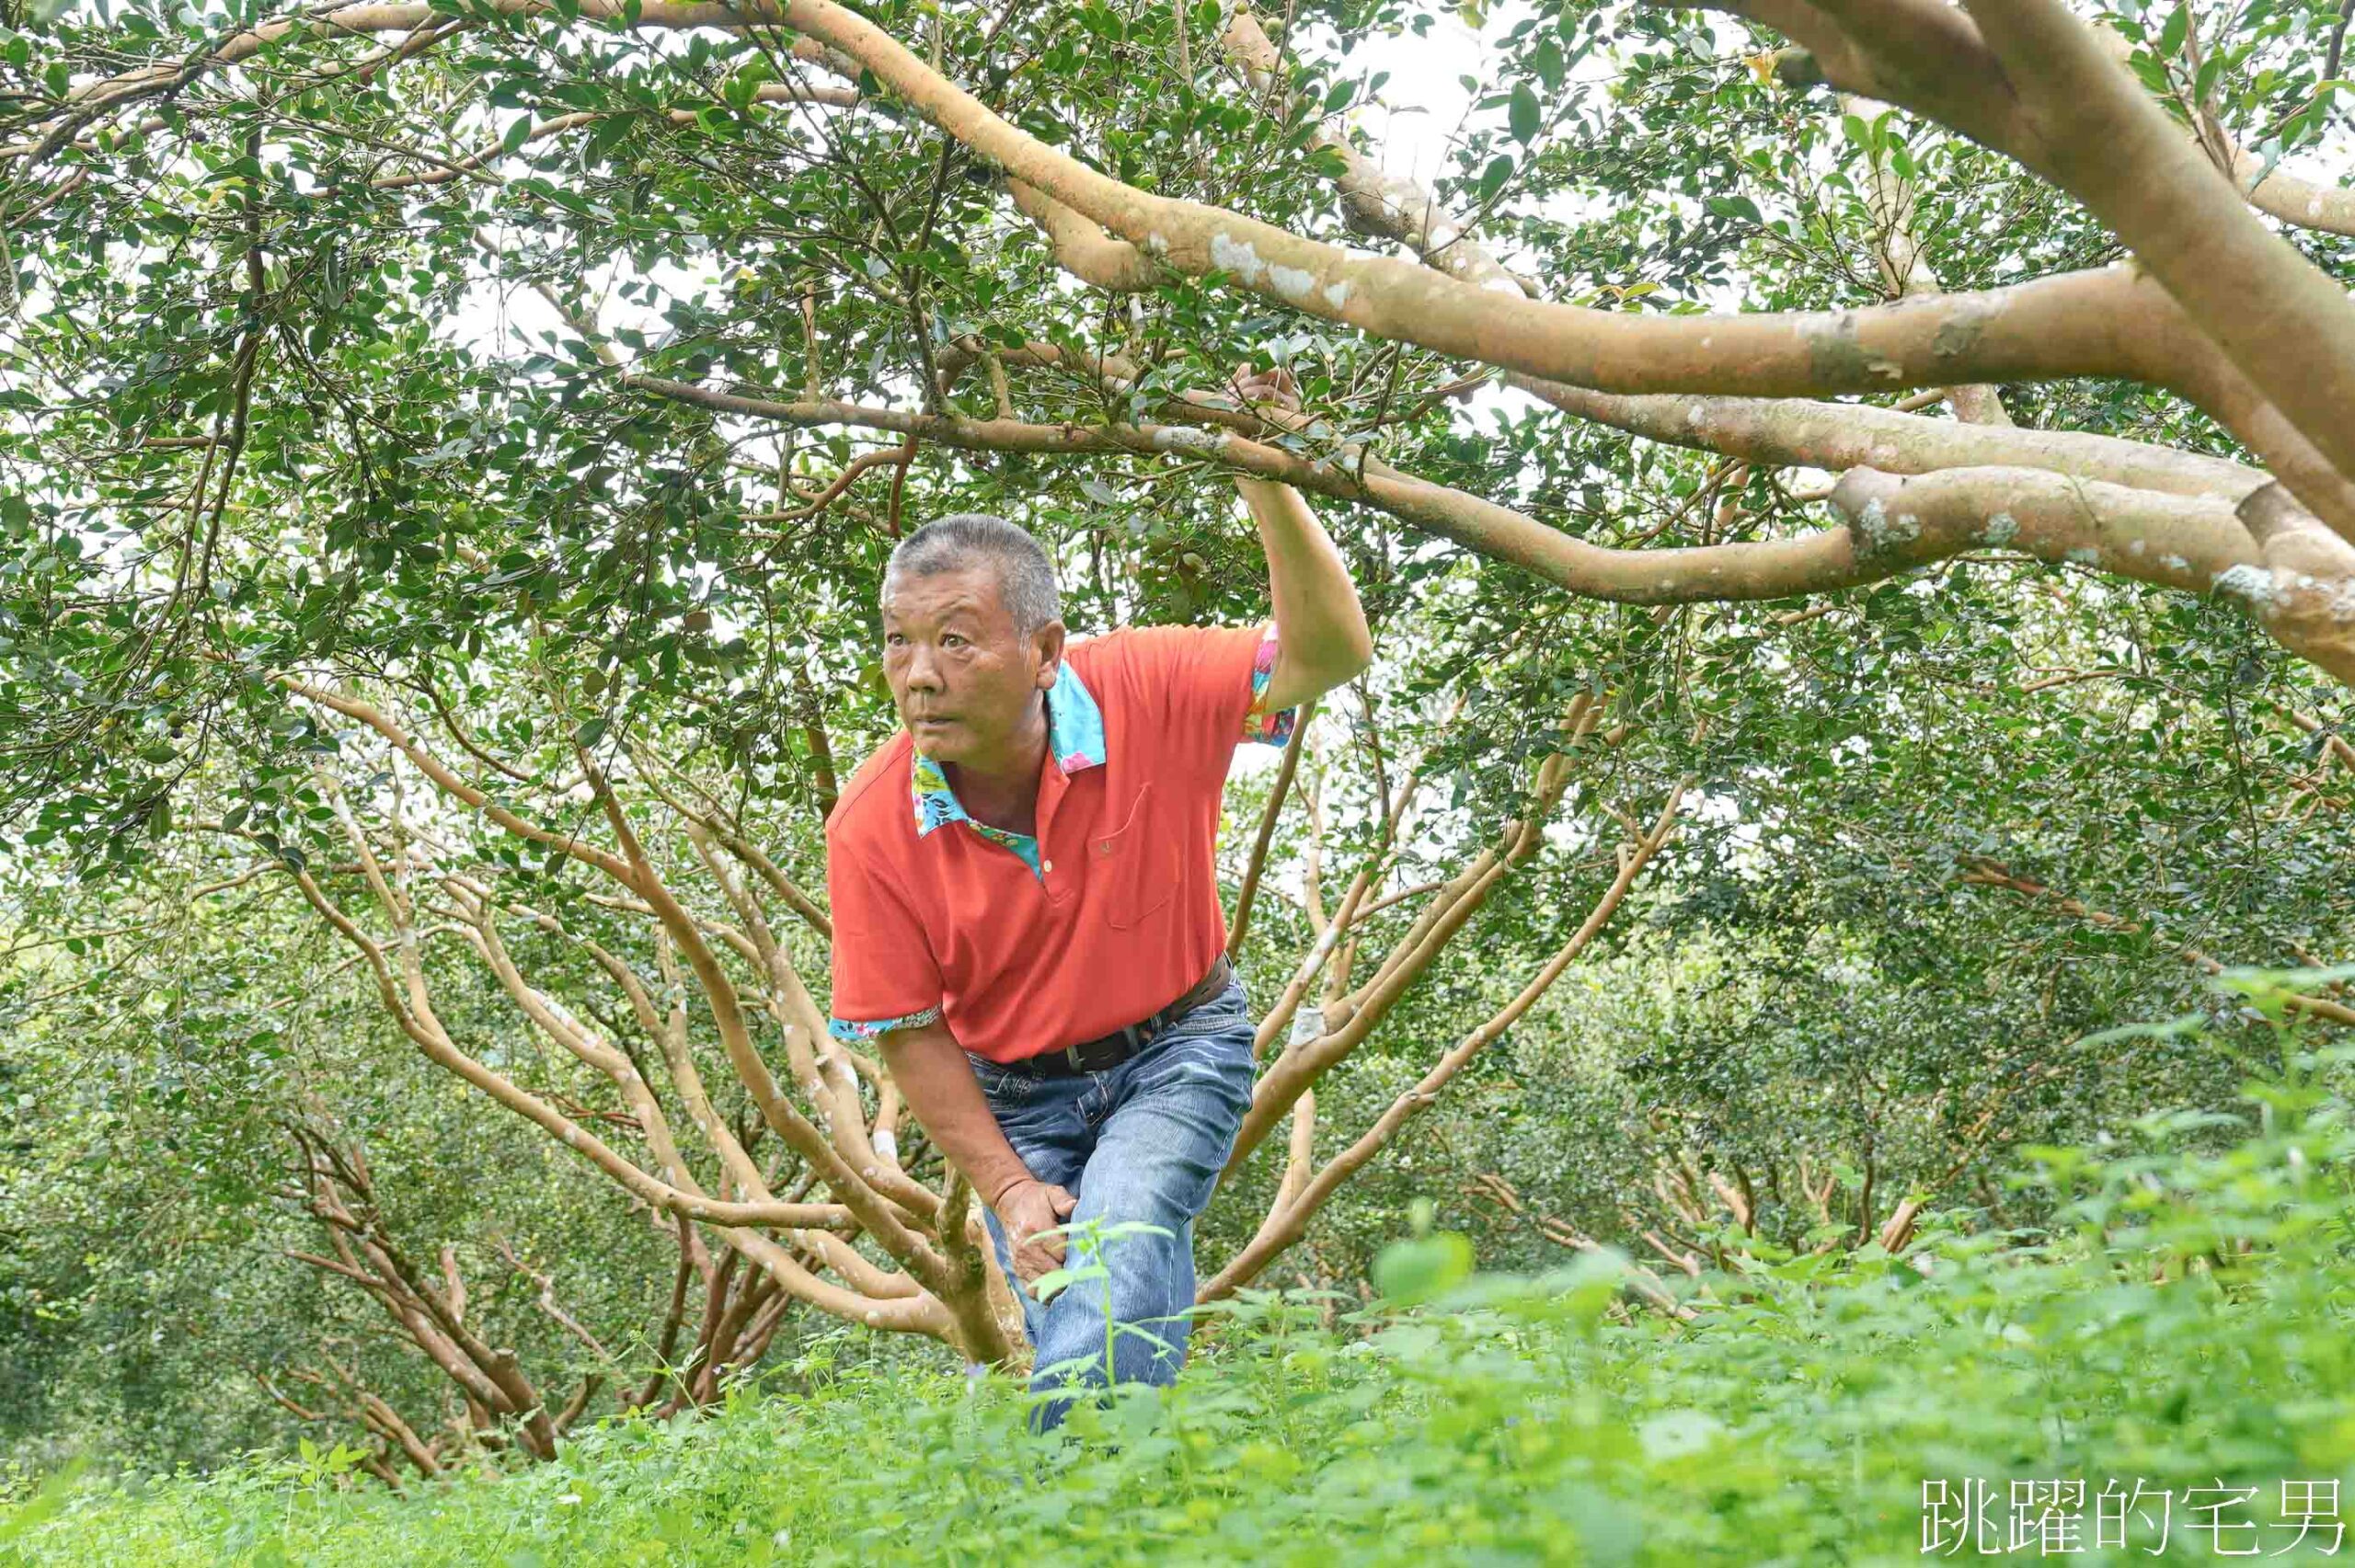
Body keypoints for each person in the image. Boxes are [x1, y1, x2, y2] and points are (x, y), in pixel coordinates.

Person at [822, 370, 1372, 1430]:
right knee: (1082, 1301)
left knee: (1117, 1247)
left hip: (1177, 1044)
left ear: (1043, 652)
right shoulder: (873, 824)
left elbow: (1330, 655)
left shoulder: (1146, 683)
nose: (918, 674)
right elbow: (907, 1031)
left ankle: (1057, 1519)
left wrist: (1263, 473)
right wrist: (1008, 1188)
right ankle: (1125, 1514)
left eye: (954, 637)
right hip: (1012, 1099)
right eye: (898, 639)